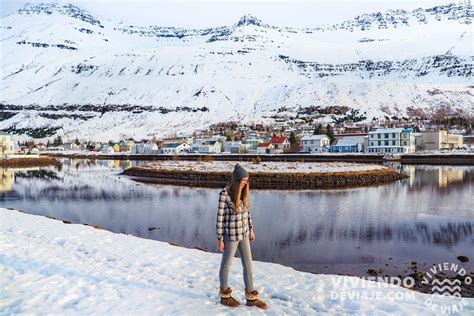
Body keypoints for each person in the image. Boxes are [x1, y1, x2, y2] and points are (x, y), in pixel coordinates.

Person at [215, 163, 268, 309]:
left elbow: (247, 213)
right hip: (231, 236)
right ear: (237, 180)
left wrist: (251, 229)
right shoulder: (224, 194)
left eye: (247, 181)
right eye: (243, 181)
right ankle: (225, 296)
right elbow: (220, 218)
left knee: (248, 265)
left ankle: (251, 297)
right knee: (226, 265)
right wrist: (219, 238)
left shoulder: (244, 193)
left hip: (244, 234)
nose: (245, 183)